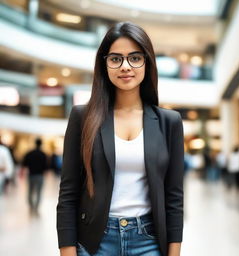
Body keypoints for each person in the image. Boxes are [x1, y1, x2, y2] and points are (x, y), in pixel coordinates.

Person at [57, 21, 184, 256]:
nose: (125, 66)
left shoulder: (170, 122)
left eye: (135, 58)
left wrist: (174, 252)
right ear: (104, 64)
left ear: (147, 62)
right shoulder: (82, 117)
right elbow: (68, 193)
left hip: (149, 241)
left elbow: (174, 198)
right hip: (95, 241)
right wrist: (67, 251)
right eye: (116, 59)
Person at [21, 138, 48, 215]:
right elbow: (46, 167)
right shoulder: (43, 154)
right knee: (39, 191)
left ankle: (31, 205)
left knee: (30, 191)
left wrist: (22, 173)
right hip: (40, 176)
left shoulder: (30, 153)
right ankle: (36, 206)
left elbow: (24, 164)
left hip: (31, 175)